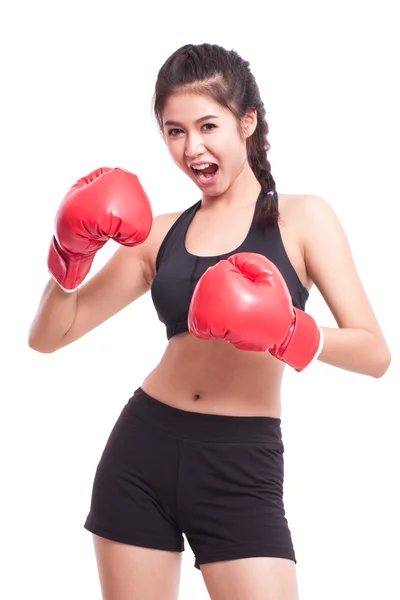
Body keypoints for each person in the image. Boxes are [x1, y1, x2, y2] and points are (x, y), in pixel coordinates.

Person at [28, 43, 391, 600]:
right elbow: (49, 337)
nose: (192, 147)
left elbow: (375, 354)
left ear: (246, 122)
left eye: (207, 126)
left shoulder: (304, 219)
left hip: (240, 467)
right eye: (174, 131)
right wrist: (69, 258)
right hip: (141, 455)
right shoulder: (159, 233)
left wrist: (290, 330)